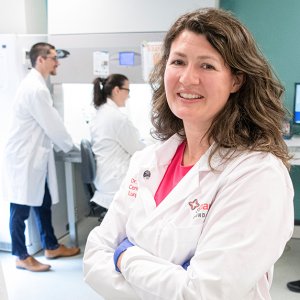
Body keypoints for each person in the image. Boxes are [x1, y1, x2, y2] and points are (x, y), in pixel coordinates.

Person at [83, 8, 294, 299]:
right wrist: (175, 276)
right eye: (178, 61)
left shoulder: (257, 173)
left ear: (237, 80)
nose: (187, 78)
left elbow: (203, 293)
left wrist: (124, 258)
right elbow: (94, 260)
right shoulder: (148, 161)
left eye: (207, 66)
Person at [2, 43, 80, 272]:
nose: (57, 63)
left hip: (34, 157)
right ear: (40, 60)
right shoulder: (35, 89)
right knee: (20, 209)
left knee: (43, 202)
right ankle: (20, 255)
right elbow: (53, 125)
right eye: (54, 58)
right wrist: (70, 146)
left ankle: (51, 246)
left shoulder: (36, 85)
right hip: (23, 159)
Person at [89, 74, 146, 209]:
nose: (129, 96)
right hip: (115, 182)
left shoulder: (99, 114)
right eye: (128, 91)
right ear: (116, 90)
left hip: (104, 179)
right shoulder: (117, 118)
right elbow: (138, 149)